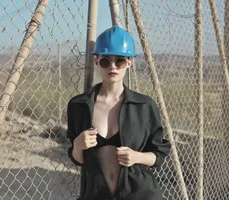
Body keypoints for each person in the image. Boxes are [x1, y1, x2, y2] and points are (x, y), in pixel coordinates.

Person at [67, 26, 171, 200]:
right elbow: (79, 159)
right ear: (96, 61)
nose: (113, 67)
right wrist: (78, 145)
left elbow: (158, 155)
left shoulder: (144, 106)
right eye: (106, 61)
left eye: (120, 61)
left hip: (140, 194)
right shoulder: (79, 106)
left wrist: (136, 156)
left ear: (130, 62)